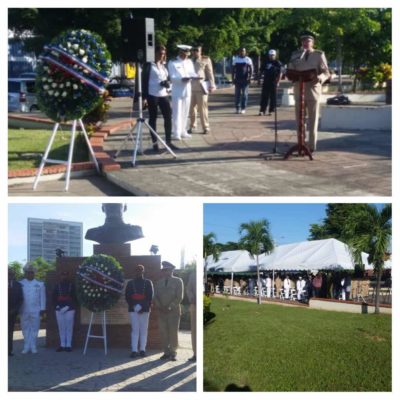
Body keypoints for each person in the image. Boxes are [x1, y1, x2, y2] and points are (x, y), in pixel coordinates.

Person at [287, 31, 330, 152]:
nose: (306, 43)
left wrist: (320, 78)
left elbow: (326, 72)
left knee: (313, 119)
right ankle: (301, 144)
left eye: (308, 41)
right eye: (303, 41)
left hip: (313, 90)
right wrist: (289, 72)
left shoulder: (319, 55)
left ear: (313, 42)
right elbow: (291, 70)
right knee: (299, 120)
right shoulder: (296, 55)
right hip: (298, 90)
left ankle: (311, 146)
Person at [142, 45, 179, 153]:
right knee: (153, 118)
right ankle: (155, 144)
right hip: (152, 94)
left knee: (168, 117)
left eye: (163, 53)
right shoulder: (148, 65)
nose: (162, 55)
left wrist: (168, 83)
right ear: (154, 53)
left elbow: (167, 78)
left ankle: (168, 142)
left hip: (163, 94)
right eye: (160, 53)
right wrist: (143, 97)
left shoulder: (163, 65)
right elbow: (143, 81)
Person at [153, 261, 184, 361]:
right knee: (163, 333)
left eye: (168, 270)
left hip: (173, 312)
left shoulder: (178, 281)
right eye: (164, 270)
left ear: (172, 270)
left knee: (173, 332)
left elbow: (179, 297)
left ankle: (173, 352)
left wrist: (169, 307)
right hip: (161, 312)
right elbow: (155, 296)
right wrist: (160, 306)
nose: (166, 272)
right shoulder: (159, 282)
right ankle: (166, 352)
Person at [168, 45, 199, 140]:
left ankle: (183, 130)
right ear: (180, 52)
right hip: (177, 89)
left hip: (187, 89)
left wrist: (195, 76)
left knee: (185, 111)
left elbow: (192, 73)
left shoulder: (189, 62)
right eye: (184, 54)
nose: (186, 56)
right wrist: (182, 79)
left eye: (187, 54)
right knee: (177, 112)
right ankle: (176, 132)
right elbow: (172, 77)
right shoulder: (173, 62)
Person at [125, 264, 154, 358]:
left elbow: (150, 296)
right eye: (137, 270)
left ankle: (142, 350)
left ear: (143, 271)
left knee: (144, 330)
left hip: (145, 310)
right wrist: (136, 307)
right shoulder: (130, 283)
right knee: (135, 330)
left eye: (140, 270)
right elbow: (127, 297)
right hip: (133, 309)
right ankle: (134, 350)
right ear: (135, 271)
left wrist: (142, 307)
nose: (139, 271)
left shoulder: (148, 282)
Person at [189, 45, 216, 134]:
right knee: (191, 109)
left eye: (197, 50)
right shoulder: (188, 60)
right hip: (190, 87)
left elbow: (210, 73)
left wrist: (212, 85)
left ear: (201, 51)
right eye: (194, 50)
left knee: (203, 108)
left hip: (201, 87)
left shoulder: (205, 59)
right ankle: (192, 126)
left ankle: (206, 127)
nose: (195, 52)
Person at [19, 263, 46, 354]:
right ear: (25, 273)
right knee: (25, 328)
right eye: (28, 272)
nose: (29, 274)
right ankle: (26, 345)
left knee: (35, 328)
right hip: (24, 309)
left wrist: (42, 309)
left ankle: (33, 345)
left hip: (36, 310)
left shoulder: (40, 284)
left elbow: (42, 297)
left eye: (31, 272)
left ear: (34, 273)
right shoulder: (20, 284)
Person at [52, 271, 77, 352]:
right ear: (60, 276)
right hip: (59, 309)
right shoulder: (57, 285)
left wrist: (68, 306)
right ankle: (62, 345)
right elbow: (54, 297)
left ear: (68, 276)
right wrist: (57, 306)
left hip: (69, 308)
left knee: (69, 327)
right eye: (63, 275)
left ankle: (68, 345)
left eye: (65, 275)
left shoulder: (72, 286)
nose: (64, 276)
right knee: (61, 327)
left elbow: (75, 297)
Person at [259, 49, 283, 116]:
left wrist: (278, 81)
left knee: (273, 97)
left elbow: (280, 73)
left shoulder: (278, 63)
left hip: (274, 81)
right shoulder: (265, 62)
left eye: (273, 55)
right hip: (266, 81)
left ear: (275, 55)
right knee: (264, 96)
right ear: (268, 55)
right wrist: (260, 79)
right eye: (270, 55)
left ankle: (271, 110)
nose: (271, 56)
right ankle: (262, 110)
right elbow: (261, 71)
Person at [232, 47, 253, 114]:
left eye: (243, 51)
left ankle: (243, 108)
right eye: (241, 51)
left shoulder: (248, 59)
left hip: (245, 80)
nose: (242, 52)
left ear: (245, 52)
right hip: (237, 79)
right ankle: (237, 108)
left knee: (244, 94)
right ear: (239, 52)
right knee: (237, 94)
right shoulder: (236, 59)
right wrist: (233, 78)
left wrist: (250, 77)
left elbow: (251, 69)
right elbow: (233, 70)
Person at [8, 268, 23, 356]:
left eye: (11, 274)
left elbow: (21, 299)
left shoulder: (18, 285)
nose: (9, 276)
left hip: (12, 313)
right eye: (8, 274)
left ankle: (9, 350)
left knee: (9, 332)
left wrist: (14, 310)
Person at [186, 268, 196, 362]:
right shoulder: (193, 274)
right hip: (194, 306)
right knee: (194, 331)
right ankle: (195, 354)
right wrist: (192, 297)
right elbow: (188, 289)